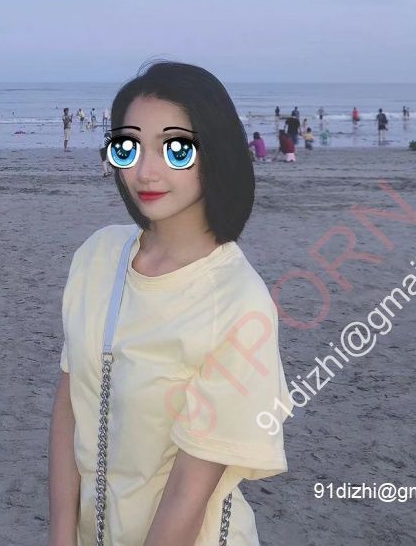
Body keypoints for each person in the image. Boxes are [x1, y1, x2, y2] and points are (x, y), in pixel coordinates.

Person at [50, 61, 292, 545]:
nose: (145, 171)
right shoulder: (97, 257)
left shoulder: (239, 304)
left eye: (175, 148)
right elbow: (69, 409)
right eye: (130, 146)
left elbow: (188, 492)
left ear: (215, 153)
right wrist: (61, 536)